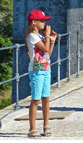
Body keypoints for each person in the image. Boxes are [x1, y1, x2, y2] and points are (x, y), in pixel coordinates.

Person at [25, 10, 57, 138]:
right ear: (34, 22)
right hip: (37, 70)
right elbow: (44, 48)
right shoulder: (32, 36)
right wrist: (48, 36)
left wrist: (52, 40)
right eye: (42, 20)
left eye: (45, 20)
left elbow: (47, 53)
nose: (44, 23)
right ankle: (32, 128)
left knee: (46, 98)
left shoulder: (41, 36)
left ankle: (46, 125)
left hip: (46, 69)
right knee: (36, 99)